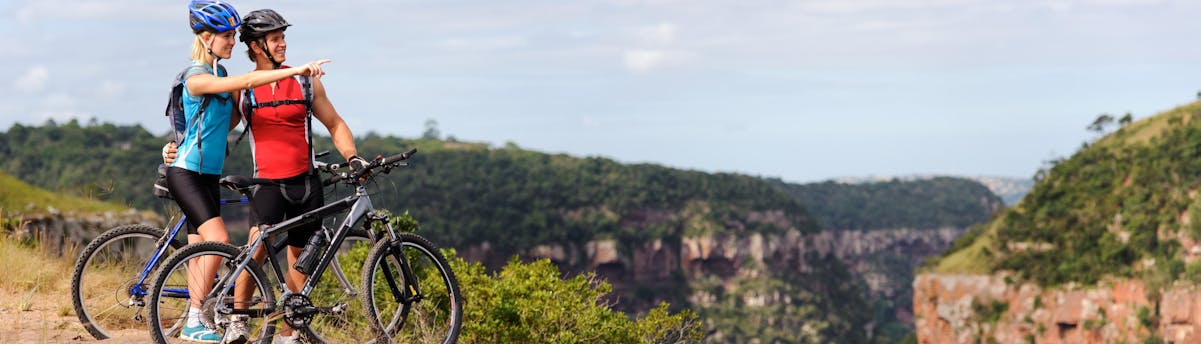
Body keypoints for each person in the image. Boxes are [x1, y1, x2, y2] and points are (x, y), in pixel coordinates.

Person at [165, 7, 368, 344]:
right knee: (253, 254)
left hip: (306, 183)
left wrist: (353, 157)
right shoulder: (241, 89)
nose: (283, 44)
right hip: (267, 184)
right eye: (276, 39)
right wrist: (174, 147)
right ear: (257, 46)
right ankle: (238, 321)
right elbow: (212, 124)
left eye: (283, 37)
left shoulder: (305, 81)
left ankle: (288, 335)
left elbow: (335, 123)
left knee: (300, 263)